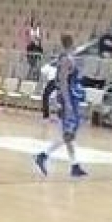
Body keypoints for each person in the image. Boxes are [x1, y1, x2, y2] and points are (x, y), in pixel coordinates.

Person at [34, 34, 88, 178]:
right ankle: (43, 156)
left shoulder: (66, 57)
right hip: (67, 99)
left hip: (70, 98)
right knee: (68, 134)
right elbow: (63, 82)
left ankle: (74, 165)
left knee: (69, 134)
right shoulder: (66, 59)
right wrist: (67, 103)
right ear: (72, 42)